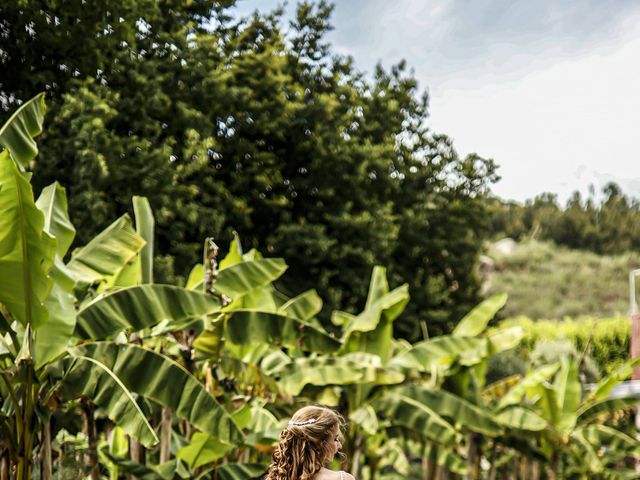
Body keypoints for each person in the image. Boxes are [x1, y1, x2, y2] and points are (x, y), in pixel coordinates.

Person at [264, 405, 356, 480]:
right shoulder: (342, 478)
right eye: (335, 439)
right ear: (320, 443)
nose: (339, 446)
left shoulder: (276, 477)